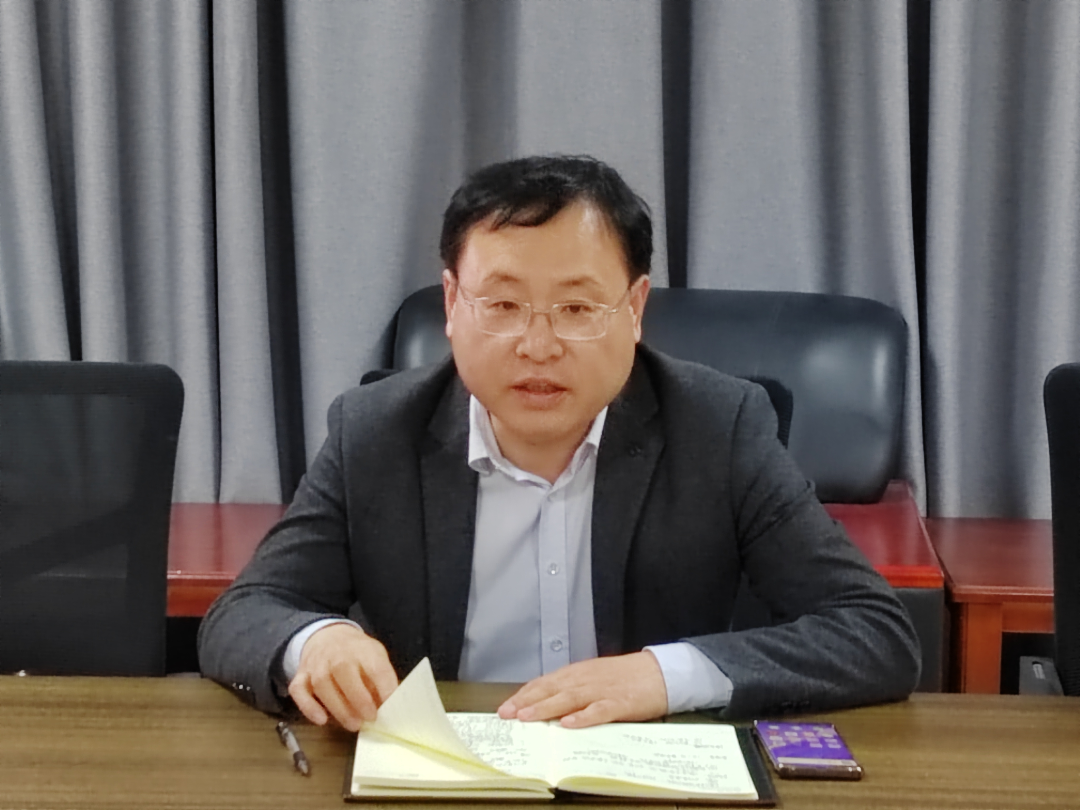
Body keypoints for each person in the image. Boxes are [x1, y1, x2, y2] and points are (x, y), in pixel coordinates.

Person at [198, 155, 920, 731]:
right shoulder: (376, 431)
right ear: (452, 304)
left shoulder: (718, 426)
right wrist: (317, 642)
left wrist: (664, 676)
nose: (537, 345)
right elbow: (245, 612)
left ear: (634, 309)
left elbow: (873, 632)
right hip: (445, 775)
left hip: (641, 774)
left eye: (576, 307)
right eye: (503, 305)